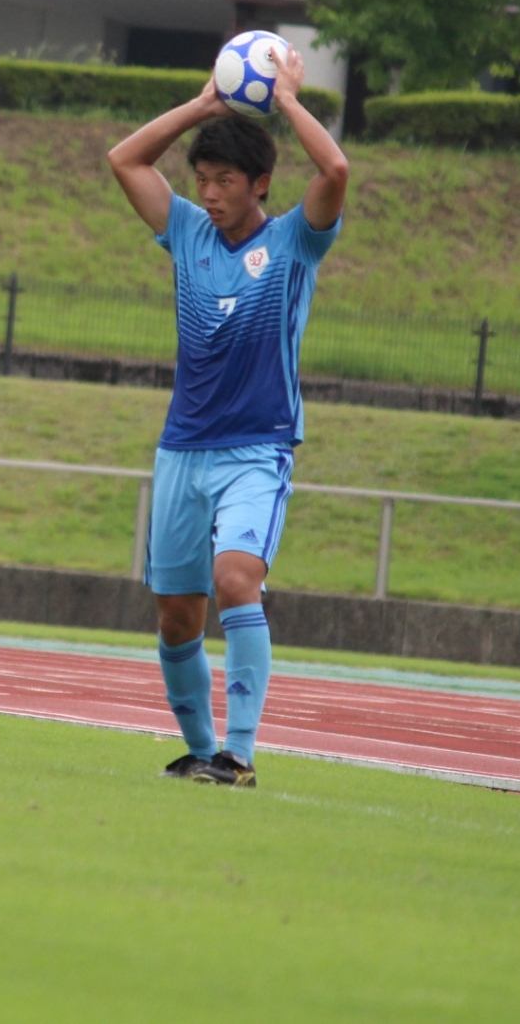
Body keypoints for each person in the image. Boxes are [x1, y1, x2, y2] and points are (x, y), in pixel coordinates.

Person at [105, 47, 348, 788]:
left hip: (256, 449)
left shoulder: (293, 241)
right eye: (202, 180)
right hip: (182, 449)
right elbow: (124, 159)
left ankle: (239, 754)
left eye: (225, 181)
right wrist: (205, 105)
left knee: (236, 580)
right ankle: (202, 749)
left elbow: (335, 171)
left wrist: (289, 101)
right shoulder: (186, 232)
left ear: (261, 184)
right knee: (177, 616)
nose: (209, 194)